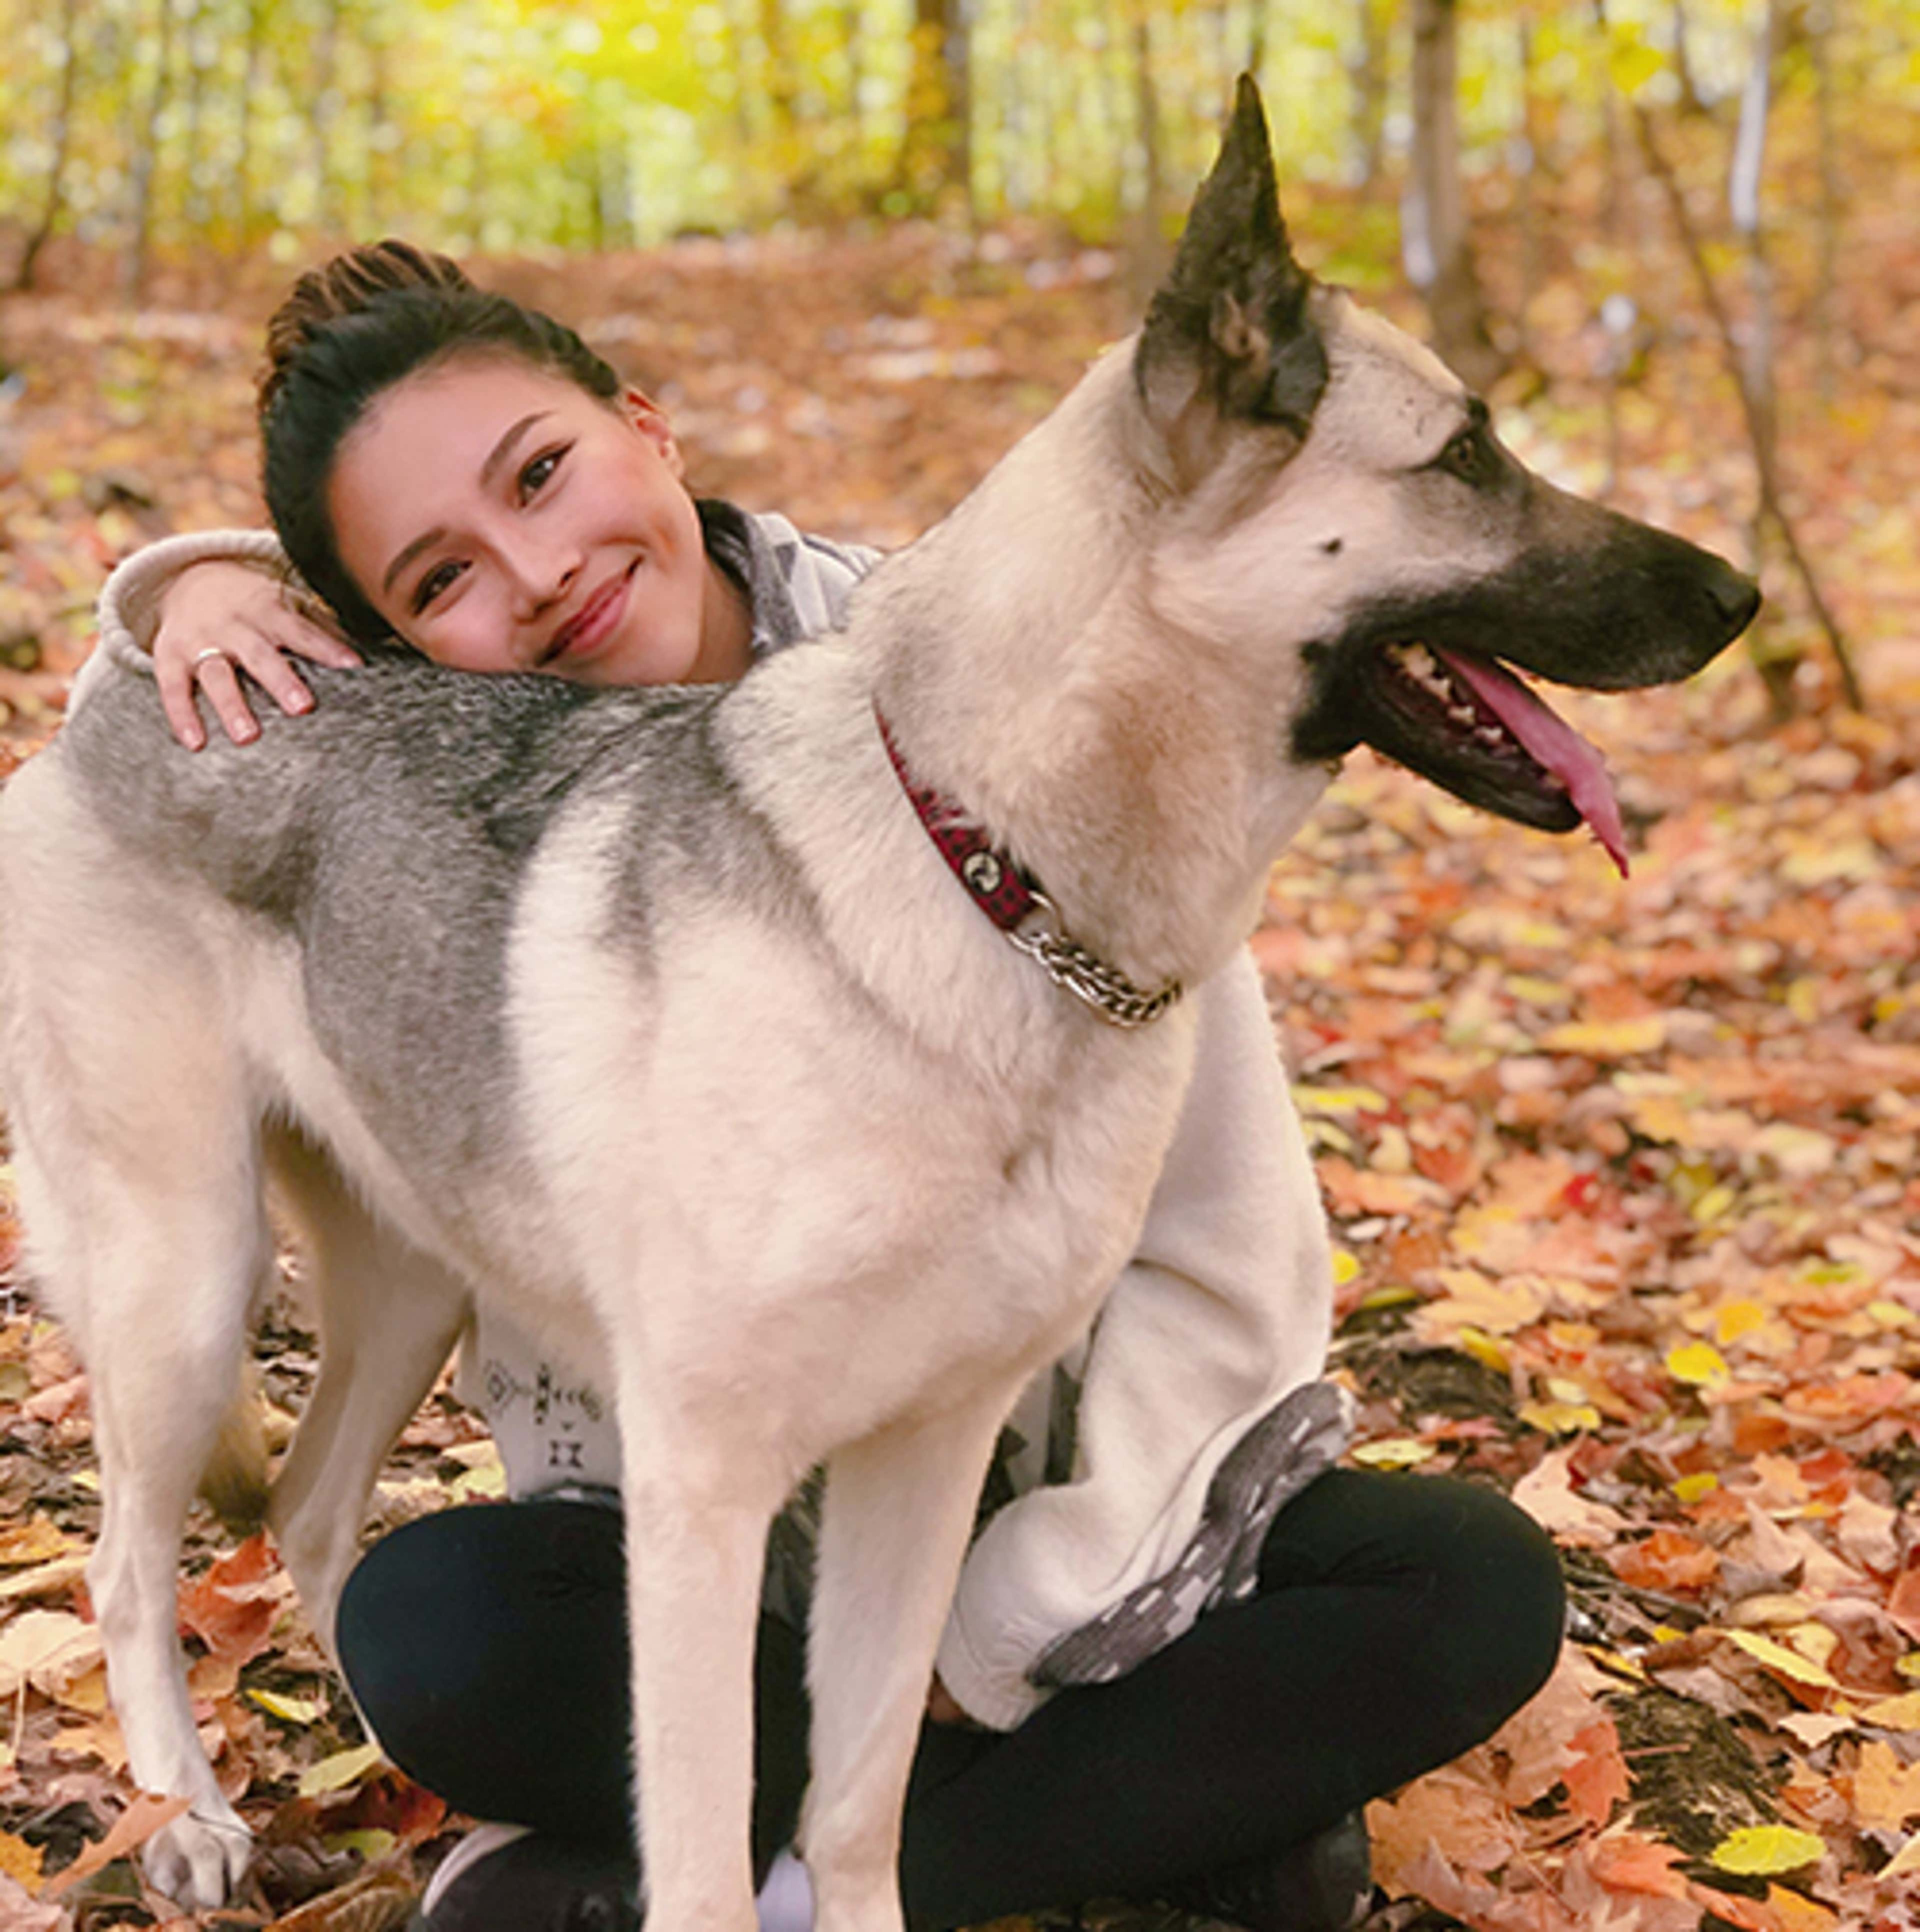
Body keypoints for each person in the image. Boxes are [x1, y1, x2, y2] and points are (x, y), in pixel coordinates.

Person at [96, 242, 1567, 1932]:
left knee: (1460, 1584)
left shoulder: (1007, 691)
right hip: (687, 1564)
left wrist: (999, 1630)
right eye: (442, 582)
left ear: (645, 424)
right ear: (403, 654)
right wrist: (184, 592)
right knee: (439, 1638)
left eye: (546, 472)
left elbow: (1228, 1262)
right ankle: (1133, 1836)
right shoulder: (450, 786)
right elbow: (170, 743)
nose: (541, 569)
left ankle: (723, 1873)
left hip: (1051, 1540)